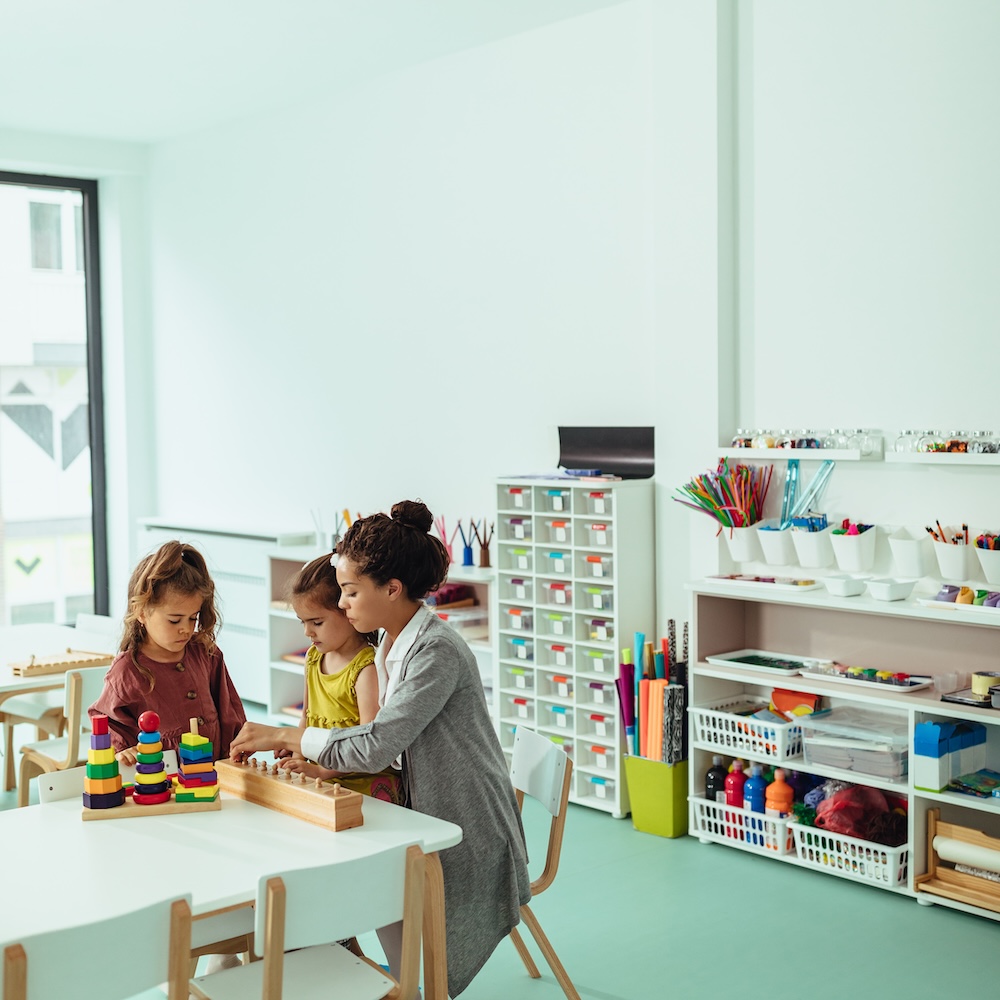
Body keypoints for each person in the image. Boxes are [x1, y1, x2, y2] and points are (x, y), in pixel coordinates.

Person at [229, 500, 530, 998]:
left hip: (465, 823)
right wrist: (320, 763)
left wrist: (284, 735)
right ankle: (364, 969)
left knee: (353, 879)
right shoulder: (393, 641)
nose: (341, 604)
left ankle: (387, 979)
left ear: (392, 589)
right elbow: (388, 749)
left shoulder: (435, 652)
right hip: (426, 806)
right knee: (339, 867)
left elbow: (379, 744)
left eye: (349, 592)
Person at [89, 540, 246, 765]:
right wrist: (121, 751)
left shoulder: (206, 653)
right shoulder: (127, 671)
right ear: (141, 612)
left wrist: (237, 747)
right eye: (174, 620)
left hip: (213, 774)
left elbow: (228, 707)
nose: (186, 628)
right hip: (159, 781)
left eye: (193, 618)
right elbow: (106, 721)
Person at [280, 553, 402, 802]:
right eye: (302, 622)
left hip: (361, 782)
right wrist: (297, 758)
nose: (307, 632)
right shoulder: (313, 657)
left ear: (347, 612)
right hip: (323, 776)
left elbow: (367, 745)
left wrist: (321, 771)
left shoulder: (366, 668)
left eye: (316, 622)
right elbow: (306, 718)